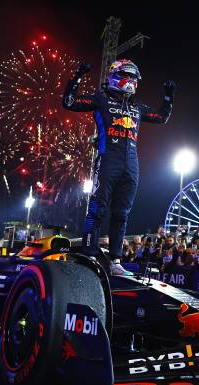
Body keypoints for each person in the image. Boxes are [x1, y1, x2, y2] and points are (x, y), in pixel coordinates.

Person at [62, 60, 175, 274]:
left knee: (122, 213)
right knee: (97, 209)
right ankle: (89, 255)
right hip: (108, 160)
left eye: (134, 79)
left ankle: (115, 261)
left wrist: (168, 97)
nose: (132, 82)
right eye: (128, 76)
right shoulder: (101, 99)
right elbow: (68, 102)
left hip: (131, 164)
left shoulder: (137, 106)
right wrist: (77, 76)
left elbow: (161, 117)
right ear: (116, 76)